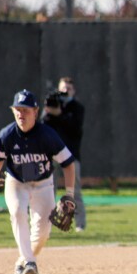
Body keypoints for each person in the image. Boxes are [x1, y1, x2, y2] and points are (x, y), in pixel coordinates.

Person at [0, 89, 76, 274]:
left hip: (43, 184)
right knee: (17, 211)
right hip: (16, 182)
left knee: (42, 234)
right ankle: (29, 262)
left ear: (36, 111)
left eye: (25, 110)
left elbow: (68, 163)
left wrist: (69, 194)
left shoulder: (47, 135)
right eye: (17, 109)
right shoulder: (7, 135)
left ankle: (23, 261)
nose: (21, 114)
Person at [42, 77, 87, 232]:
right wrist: (49, 110)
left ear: (73, 91)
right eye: (63, 88)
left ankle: (80, 224)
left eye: (68, 88)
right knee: (48, 188)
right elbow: (43, 123)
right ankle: (46, 222)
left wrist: (59, 114)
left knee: (74, 190)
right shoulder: (53, 104)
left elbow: (74, 127)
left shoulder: (77, 108)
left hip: (71, 155)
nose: (65, 91)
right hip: (53, 154)